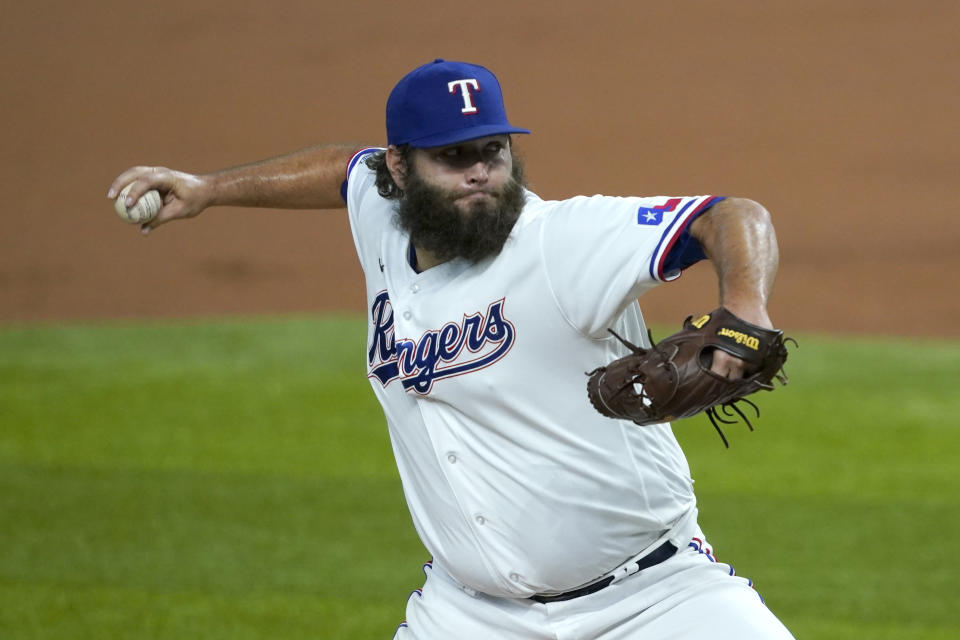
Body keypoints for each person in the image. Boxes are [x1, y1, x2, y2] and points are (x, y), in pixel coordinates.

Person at [108, 59, 794, 639]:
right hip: (468, 617)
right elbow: (343, 170)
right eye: (452, 156)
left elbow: (730, 216)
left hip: (653, 603)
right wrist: (207, 191)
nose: (478, 174)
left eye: (491, 152)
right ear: (400, 170)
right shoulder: (381, 215)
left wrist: (745, 307)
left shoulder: (561, 242)